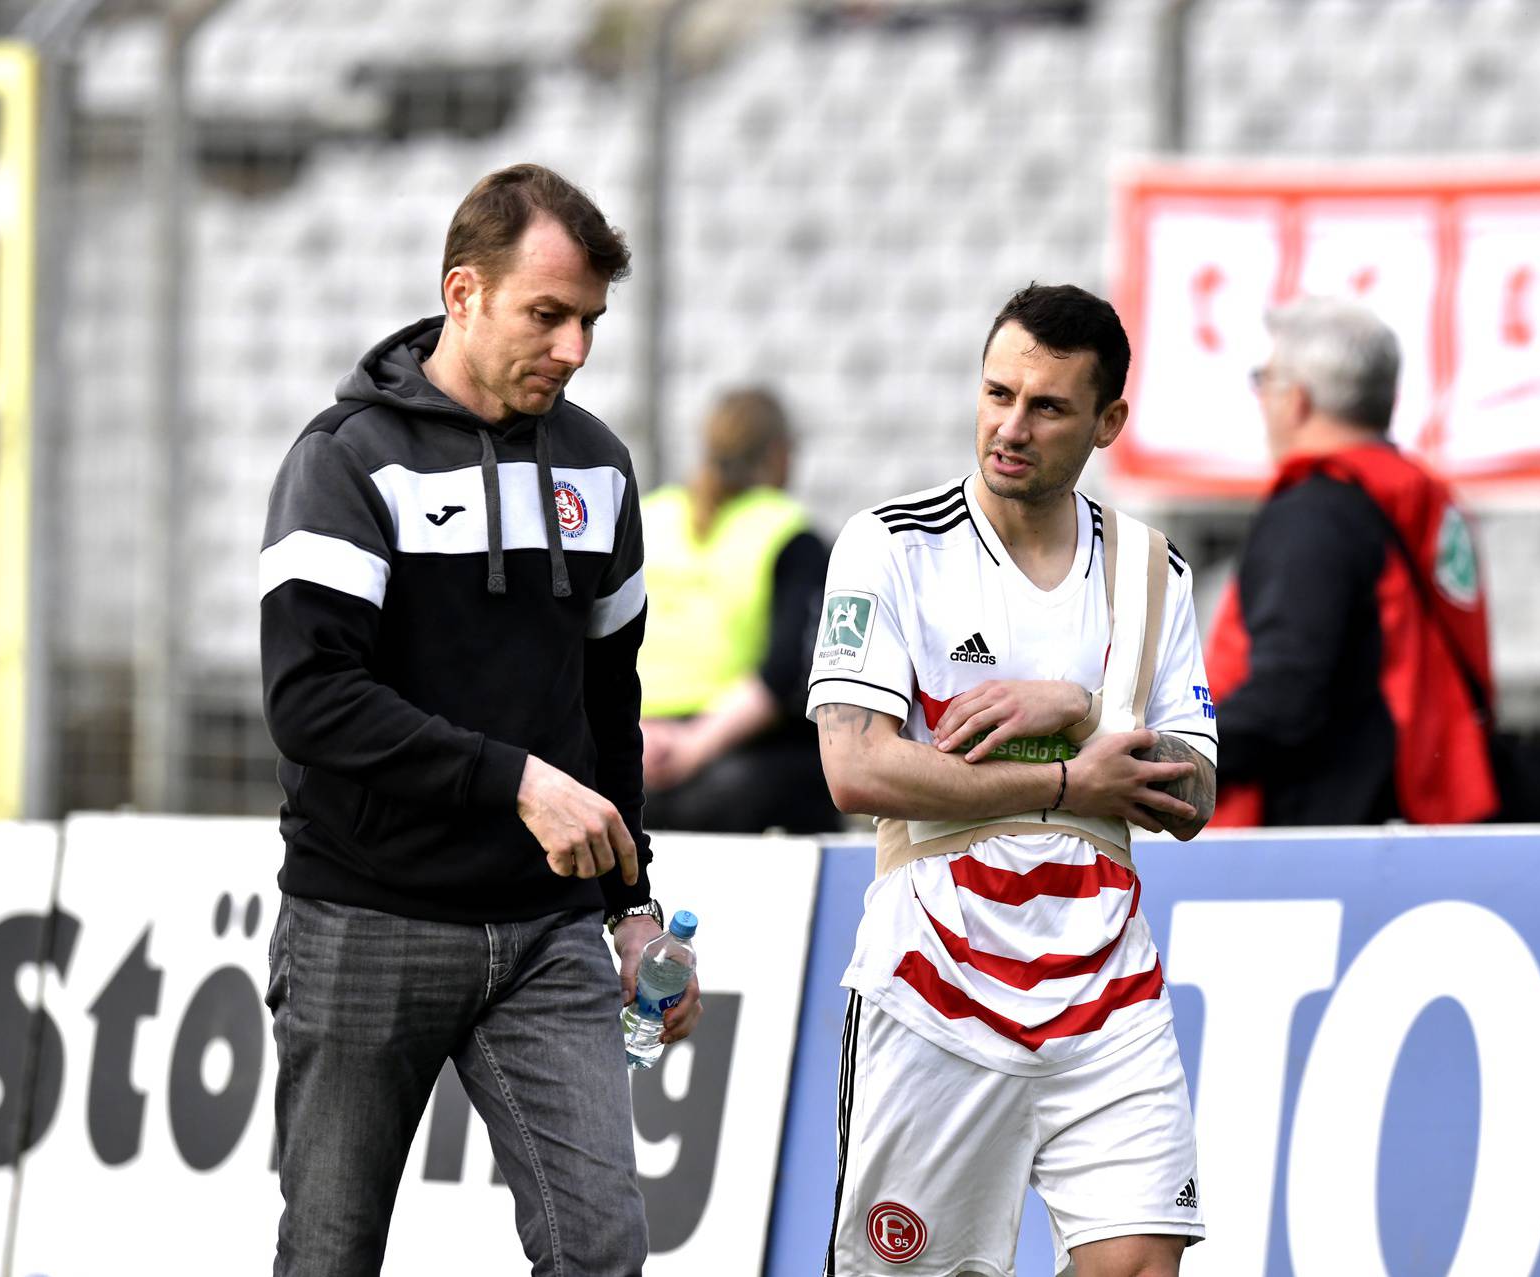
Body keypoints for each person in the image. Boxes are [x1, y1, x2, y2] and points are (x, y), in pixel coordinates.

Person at [258, 162, 700, 1277]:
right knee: (330, 1252)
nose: (575, 349)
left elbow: (611, 707)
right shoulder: (344, 459)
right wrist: (512, 778)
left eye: (591, 320)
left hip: (549, 934)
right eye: (546, 315)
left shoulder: (600, 465)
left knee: (601, 1248)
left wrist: (632, 905)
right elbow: (312, 700)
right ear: (464, 294)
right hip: (366, 917)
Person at [809, 283, 1217, 1277]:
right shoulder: (892, 545)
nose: (1011, 425)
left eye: (1048, 407)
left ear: (1109, 421)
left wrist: (1073, 705)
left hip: (1108, 993)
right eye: (998, 393)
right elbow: (853, 765)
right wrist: (1071, 781)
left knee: (1138, 1264)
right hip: (935, 989)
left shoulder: (1152, 571)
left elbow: (1195, 795)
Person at [1207, 295, 1498, 826]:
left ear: (1294, 400)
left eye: (1263, 381)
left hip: (1322, 844)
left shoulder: (1315, 514)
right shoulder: (1422, 498)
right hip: (1423, 814)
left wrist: (1171, 757)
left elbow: (1285, 698)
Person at [637, 387, 839, 834]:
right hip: (733, 769)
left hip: (635, 761)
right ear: (780, 453)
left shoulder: (648, 516)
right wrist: (692, 745)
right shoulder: (788, 533)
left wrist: (639, 738)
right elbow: (787, 671)